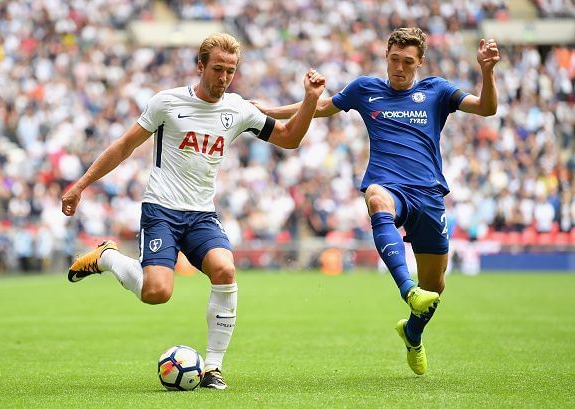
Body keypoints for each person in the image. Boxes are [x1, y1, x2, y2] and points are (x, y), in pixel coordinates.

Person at [61, 33, 325, 389]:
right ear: (200, 66)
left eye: (230, 70)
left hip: (201, 214)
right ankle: (108, 257)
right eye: (217, 68)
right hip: (162, 211)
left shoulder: (238, 109)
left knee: (225, 269)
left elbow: (291, 138)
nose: (224, 77)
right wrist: (80, 185)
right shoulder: (167, 103)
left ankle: (213, 367)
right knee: (157, 293)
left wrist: (309, 100)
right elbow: (124, 146)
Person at [255, 27, 499, 375]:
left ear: (420, 62)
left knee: (437, 285)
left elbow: (486, 108)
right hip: (388, 184)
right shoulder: (364, 89)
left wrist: (487, 72)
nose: (399, 67)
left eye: (408, 62)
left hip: (428, 194)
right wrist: (267, 111)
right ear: (386, 56)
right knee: (376, 198)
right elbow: (319, 107)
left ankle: (412, 333)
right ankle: (407, 290)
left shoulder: (437, 90)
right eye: (394, 59)